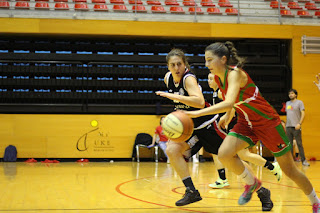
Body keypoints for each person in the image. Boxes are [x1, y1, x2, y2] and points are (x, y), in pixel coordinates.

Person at [184, 42, 320, 212]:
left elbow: (229, 101)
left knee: (290, 171)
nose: (207, 64)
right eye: (206, 60)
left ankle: (315, 201)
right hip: (246, 122)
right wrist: (228, 115)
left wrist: (198, 113)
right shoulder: (219, 78)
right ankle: (252, 183)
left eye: (210, 60)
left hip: (267, 122)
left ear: (223, 59)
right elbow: (232, 103)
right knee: (224, 154)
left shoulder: (235, 74)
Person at [156, 49, 273, 211]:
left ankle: (262, 191)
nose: (176, 68)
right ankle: (191, 191)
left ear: (185, 64)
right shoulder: (168, 78)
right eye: (172, 65)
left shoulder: (188, 79)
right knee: (172, 149)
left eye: (179, 64)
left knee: (231, 160)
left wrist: (173, 97)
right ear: (168, 66)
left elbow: (199, 102)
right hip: (190, 127)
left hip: (208, 126)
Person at [285, 89, 309, 166]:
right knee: (289, 145)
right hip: (288, 126)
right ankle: (291, 162)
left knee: (299, 144)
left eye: (292, 93)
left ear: (295, 95)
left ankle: (304, 160)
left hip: (296, 126)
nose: (290, 95)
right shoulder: (287, 103)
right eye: (289, 94)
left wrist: (299, 123)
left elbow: (303, 113)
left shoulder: (299, 102)